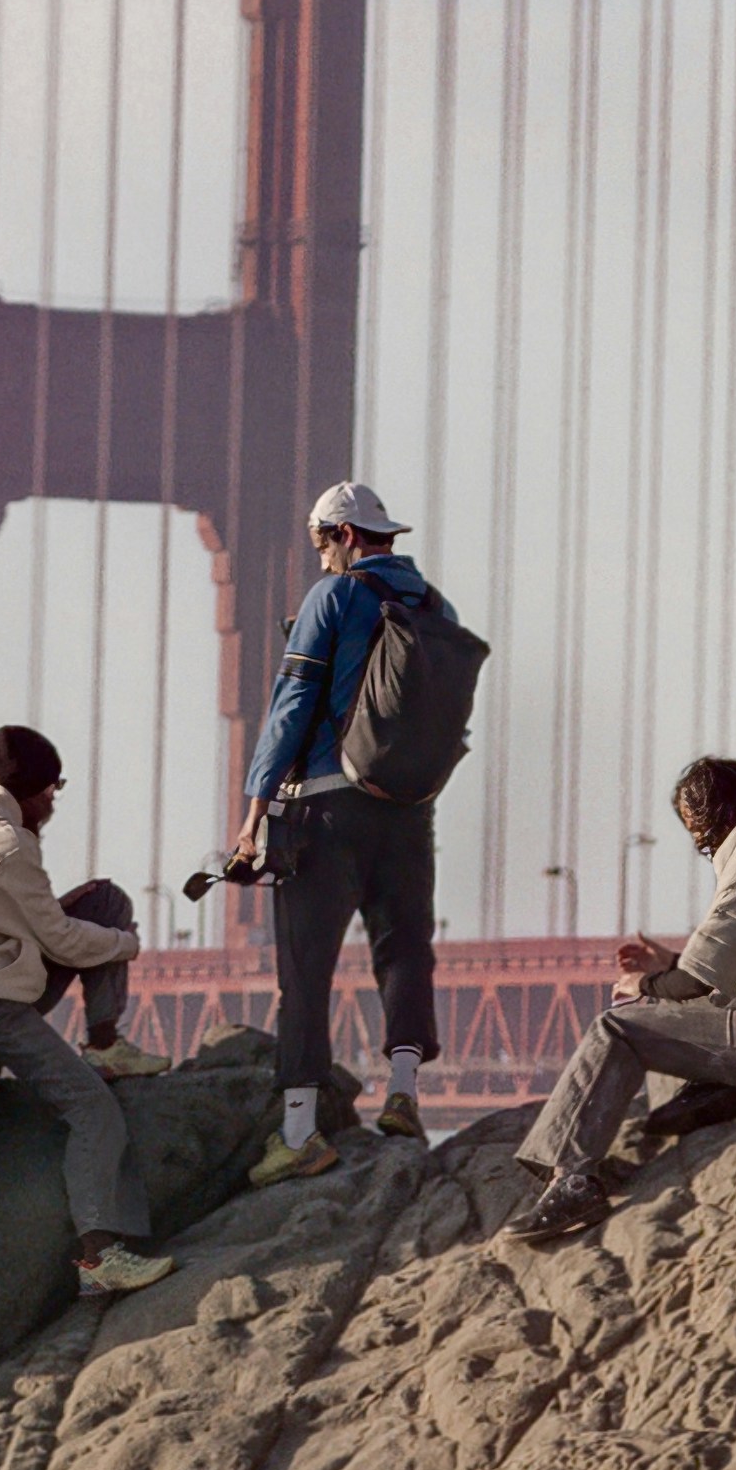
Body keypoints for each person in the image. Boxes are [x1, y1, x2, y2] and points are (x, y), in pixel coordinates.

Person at [511, 755, 736, 1243]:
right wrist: (669, 964)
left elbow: (697, 984)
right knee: (663, 1014)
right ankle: (682, 1121)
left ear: (716, 816)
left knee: (618, 1027)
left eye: (696, 830)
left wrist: (643, 985)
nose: (696, 838)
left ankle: (569, 1180)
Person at [227, 479, 457, 1183]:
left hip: (324, 806)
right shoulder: (434, 606)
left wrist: (252, 815)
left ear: (346, 536)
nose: (322, 558)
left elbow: (291, 704)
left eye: (323, 543)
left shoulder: (334, 597)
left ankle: (300, 1133)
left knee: (305, 967)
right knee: (404, 948)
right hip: (409, 810)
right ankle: (405, 1095)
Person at [0, 722, 179, 1298]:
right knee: (94, 1110)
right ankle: (100, 1255)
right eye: (51, 791)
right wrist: (126, 945)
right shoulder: (3, 844)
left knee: (104, 901)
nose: (53, 803)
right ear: (30, 791)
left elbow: (50, 929)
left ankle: (105, 1043)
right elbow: (65, 943)